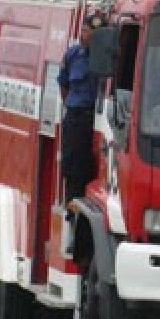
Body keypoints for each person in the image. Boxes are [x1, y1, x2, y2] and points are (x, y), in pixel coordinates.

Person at [58, 20, 101, 202]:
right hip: (77, 117)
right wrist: (71, 106)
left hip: (98, 118)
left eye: (90, 31)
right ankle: (71, 206)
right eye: (84, 31)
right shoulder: (73, 55)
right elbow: (63, 84)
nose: (86, 35)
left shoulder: (106, 57)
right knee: (73, 167)